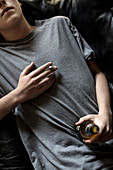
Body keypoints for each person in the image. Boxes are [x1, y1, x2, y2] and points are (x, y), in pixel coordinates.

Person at [0, 0, 113, 169]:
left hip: (105, 137)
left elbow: (97, 73)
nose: (2, 2)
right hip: (68, 161)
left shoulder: (60, 24)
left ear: (19, 2)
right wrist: (19, 94)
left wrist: (105, 114)